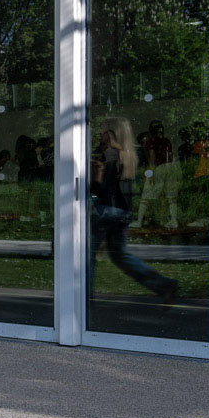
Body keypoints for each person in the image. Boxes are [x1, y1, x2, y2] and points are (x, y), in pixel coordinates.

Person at [89, 121, 176, 306]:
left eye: (104, 131)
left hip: (106, 211)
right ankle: (164, 285)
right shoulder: (129, 156)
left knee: (87, 255)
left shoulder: (109, 154)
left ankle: (83, 299)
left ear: (111, 134)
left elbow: (102, 189)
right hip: (123, 212)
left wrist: (94, 185)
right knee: (120, 256)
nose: (101, 134)